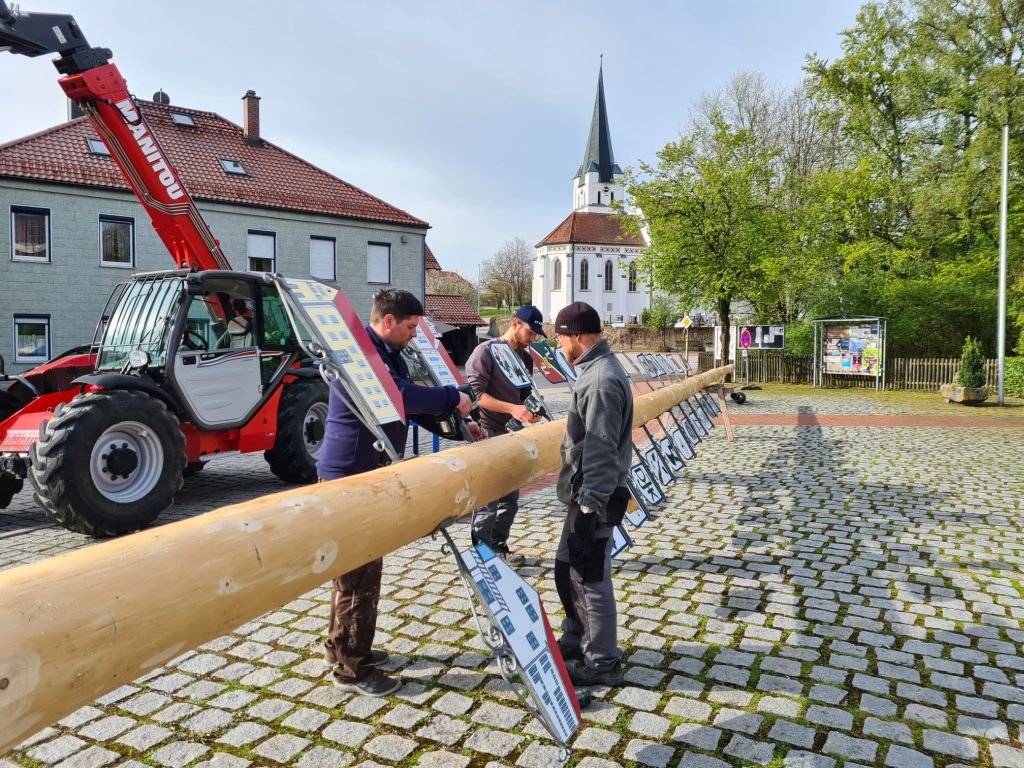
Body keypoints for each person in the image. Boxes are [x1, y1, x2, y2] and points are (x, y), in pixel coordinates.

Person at [318, 288, 480, 696]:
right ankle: (352, 669)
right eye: (409, 327)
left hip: (365, 473)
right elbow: (401, 396)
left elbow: (406, 408)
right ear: (388, 321)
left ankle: (341, 647)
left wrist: (456, 423)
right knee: (360, 574)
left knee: (353, 572)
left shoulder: (385, 353)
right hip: (351, 479)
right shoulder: (359, 354)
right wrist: (453, 397)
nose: (413, 335)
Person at [552, 301, 633, 687]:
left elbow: (600, 449)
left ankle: (602, 662)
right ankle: (576, 636)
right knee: (566, 567)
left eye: (560, 336)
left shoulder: (600, 379)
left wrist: (588, 507)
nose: (558, 343)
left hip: (594, 495)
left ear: (577, 335)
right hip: (584, 491)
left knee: (591, 577)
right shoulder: (595, 370)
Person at [465, 304, 546, 561]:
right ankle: (482, 556)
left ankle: (499, 547)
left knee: (510, 498)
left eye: (536, 334)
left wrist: (532, 410)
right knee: (488, 499)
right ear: (514, 323)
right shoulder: (484, 353)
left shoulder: (524, 358)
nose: (533, 338)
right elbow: (478, 397)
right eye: (530, 332)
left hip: (513, 434)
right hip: (487, 432)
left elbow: (524, 395)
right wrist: (513, 409)